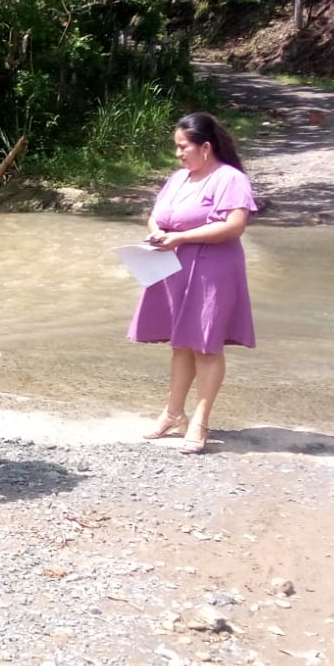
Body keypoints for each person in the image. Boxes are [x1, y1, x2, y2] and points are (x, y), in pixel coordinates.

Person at [128, 111, 257, 454]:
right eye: (177, 146)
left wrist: (181, 238)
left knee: (206, 345)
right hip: (174, 265)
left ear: (206, 147)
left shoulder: (230, 179)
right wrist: (158, 232)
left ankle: (200, 421)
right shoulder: (178, 179)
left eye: (183, 146)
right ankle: (173, 413)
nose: (178, 154)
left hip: (214, 269)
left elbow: (235, 226)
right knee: (181, 343)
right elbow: (155, 216)